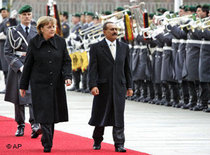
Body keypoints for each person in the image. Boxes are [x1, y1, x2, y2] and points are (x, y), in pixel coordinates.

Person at [19, 16, 72, 153]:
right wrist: (23, 85)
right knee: (44, 114)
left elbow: (66, 61)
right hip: (39, 84)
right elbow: (28, 64)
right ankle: (47, 143)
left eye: (53, 26)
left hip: (56, 84)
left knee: (52, 114)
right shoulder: (34, 42)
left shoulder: (60, 42)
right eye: (49, 27)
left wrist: (67, 76)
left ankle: (47, 139)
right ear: (41, 29)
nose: (52, 29)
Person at [88, 22, 133, 152]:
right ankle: (97, 139)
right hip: (102, 87)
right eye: (111, 29)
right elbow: (92, 69)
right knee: (100, 114)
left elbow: (127, 69)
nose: (114, 31)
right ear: (104, 32)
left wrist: (130, 86)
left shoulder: (124, 47)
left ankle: (119, 143)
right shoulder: (96, 47)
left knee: (118, 115)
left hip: (119, 87)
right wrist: (93, 85)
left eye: (116, 29)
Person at [4, 5, 41, 138]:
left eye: (29, 14)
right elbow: (7, 52)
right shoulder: (12, 31)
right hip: (18, 68)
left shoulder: (37, 31)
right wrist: (19, 66)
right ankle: (20, 125)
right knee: (18, 98)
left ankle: (35, 124)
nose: (27, 17)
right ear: (20, 16)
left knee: (33, 97)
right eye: (24, 14)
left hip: (34, 67)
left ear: (32, 16)